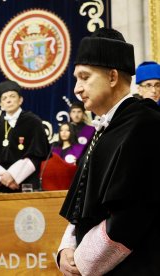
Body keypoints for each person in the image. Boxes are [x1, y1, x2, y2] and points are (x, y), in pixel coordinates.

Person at [58, 28, 160, 275]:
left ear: (113, 77)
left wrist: (80, 263)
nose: (77, 89)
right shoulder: (105, 128)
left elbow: (130, 217)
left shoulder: (145, 124)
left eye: (84, 77)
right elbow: (83, 201)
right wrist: (66, 249)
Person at [0, 80, 50, 192]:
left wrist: (13, 176)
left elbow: (37, 154)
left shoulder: (33, 122)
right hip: (1, 185)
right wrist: (3, 177)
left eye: (12, 96)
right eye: (4, 98)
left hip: (26, 184)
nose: (8, 100)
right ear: (1, 105)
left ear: (20, 100)